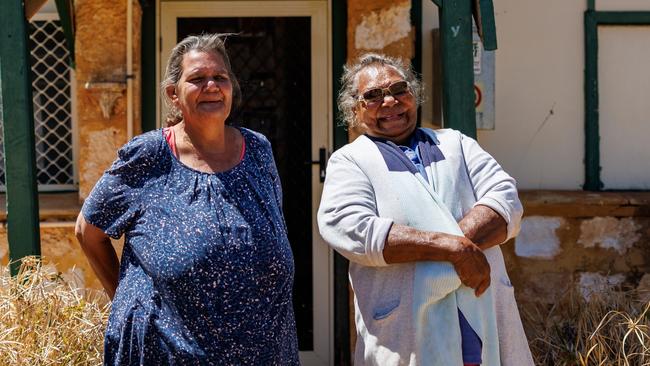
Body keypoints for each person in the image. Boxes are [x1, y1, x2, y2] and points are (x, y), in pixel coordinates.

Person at [75, 34, 299, 365]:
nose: (211, 85)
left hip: (263, 350)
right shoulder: (149, 155)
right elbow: (87, 230)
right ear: (173, 94)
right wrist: (125, 300)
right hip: (170, 353)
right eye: (196, 79)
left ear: (231, 88)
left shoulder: (258, 151)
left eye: (220, 77)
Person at [317, 53, 534, 366]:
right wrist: (453, 248)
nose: (390, 101)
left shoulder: (456, 144)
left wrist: (455, 247)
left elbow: (505, 202)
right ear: (354, 109)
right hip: (406, 331)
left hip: (480, 312)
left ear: (413, 95)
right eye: (374, 96)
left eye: (399, 90)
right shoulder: (350, 162)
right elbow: (352, 230)